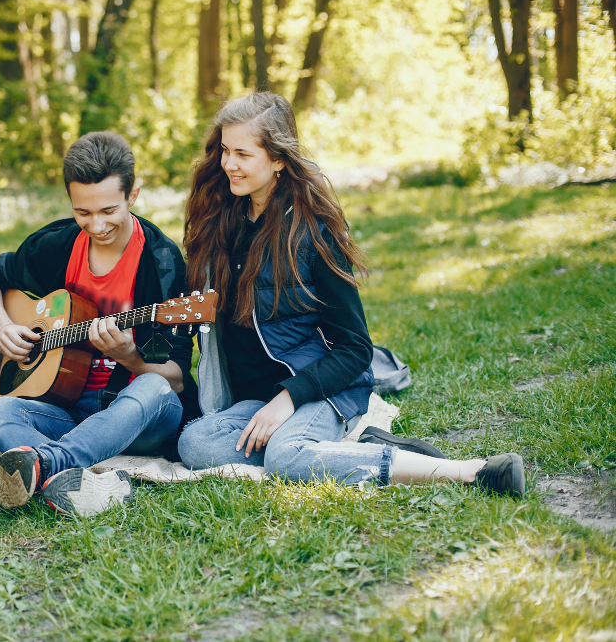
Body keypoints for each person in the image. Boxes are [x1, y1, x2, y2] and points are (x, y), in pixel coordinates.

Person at [177, 93, 525, 498]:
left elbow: (355, 349)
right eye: (224, 150)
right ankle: (340, 452)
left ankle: (466, 471)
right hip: (258, 399)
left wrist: (289, 399)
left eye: (242, 153)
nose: (228, 164)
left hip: (321, 388)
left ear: (278, 160)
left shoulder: (312, 232)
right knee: (195, 443)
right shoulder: (222, 223)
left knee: (284, 458)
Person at [0, 132, 198, 516]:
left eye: (109, 210)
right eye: (83, 212)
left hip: (138, 416)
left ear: (133, 195)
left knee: (152, 388)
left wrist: (129, 357)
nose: (96, 225)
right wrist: (2, 327)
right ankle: (67, 479)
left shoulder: (161, 263)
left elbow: (174, 378)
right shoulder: (58, 244)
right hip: (68, 407)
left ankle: (46, 464)